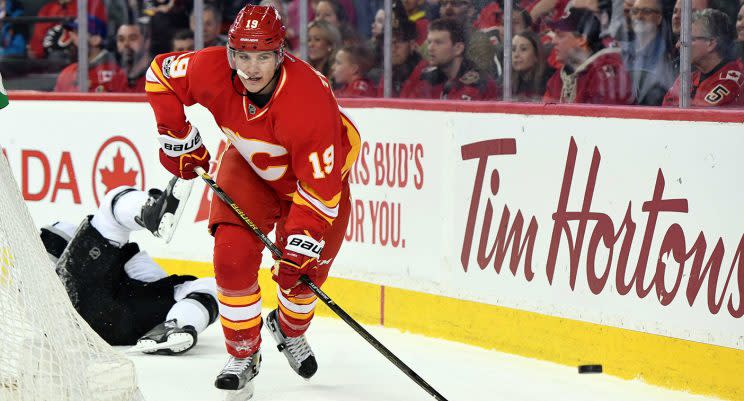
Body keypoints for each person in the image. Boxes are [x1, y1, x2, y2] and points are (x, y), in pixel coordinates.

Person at [144, 4, 360, 397]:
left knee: (302, 283)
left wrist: (300, 243)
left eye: (263, 56)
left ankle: (288, 328)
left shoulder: (309, 101)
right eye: (243, 55)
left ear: (281, 55)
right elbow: (159, 74)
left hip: (315, 187)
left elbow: (320, 188)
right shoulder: (211, 68)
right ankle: (243, 352)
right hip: (249, 166)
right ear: (230, 54)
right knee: (231, 258)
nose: (252, 67)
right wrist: (177, 138)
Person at [40, 178, 218, 355]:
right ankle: (178, 324)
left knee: (109, 210)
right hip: (127, 322)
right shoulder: (136, 268)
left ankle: (173, 327)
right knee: (216, 289)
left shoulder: (124, 262)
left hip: (89, 316)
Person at [544, 8, 633, 104]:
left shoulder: (605, 74)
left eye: (560, 35)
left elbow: (604, 116)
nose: (553, 41)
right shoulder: (559, 77)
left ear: (582, 39)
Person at [401, 18, 500, 100]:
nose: (430, 48)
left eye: (438, 42)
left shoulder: (479, 85)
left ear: (458, 49)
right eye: (429, 42)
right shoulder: (426, 79)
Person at [663, 9, 744, 107]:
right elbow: (664, 112)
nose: (678, 45)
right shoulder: (687, 77)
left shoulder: (732, 81)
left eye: (686, 39)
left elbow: (699, 118)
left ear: (711, 43)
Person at [54, 17, 128, 92]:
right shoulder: (67, 72)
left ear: (96, 40)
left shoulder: (115, 73)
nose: (71, 38)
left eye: (77, 34)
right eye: (72, 33)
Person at [622, 0, 674, 106]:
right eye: (635, 11)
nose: (639, 16)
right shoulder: (623, 51)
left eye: (646, 11)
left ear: (659, 18)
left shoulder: (667, 54)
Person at [512, 30, 554, 102]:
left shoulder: (551, 80)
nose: (516, 55)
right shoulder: (507, 80)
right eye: (513, 49)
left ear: (536, 55)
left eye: (523, 49)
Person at [116, 23, 150, 92]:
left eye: (132, 38)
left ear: (147, 42)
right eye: (121, 39)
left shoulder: (158, 78)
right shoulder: (115, 79)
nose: (126, 44)